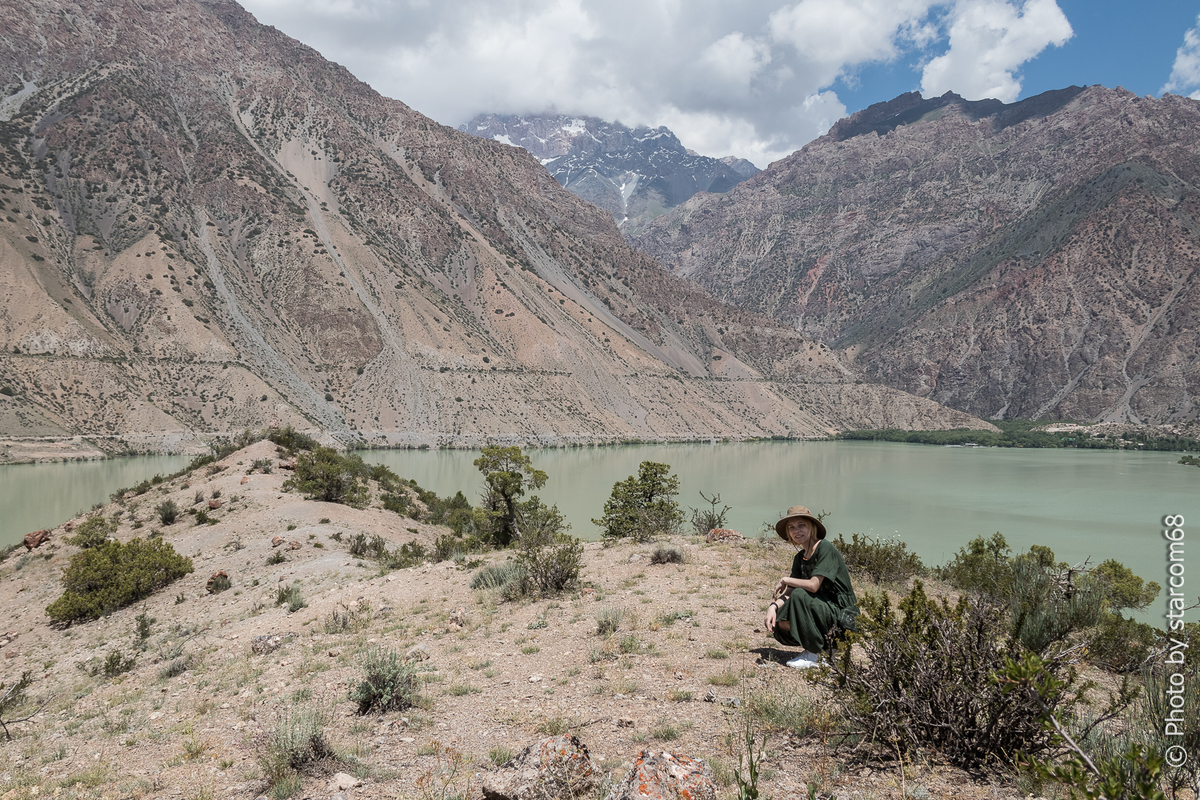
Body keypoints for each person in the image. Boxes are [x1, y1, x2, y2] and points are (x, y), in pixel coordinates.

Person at [764, 505, 858, 669]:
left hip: (843, 616)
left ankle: (817, 654)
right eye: (791, 527)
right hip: (822, 610)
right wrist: (772, 607)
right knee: (781, 619)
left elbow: (813, 586)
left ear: (812, 527)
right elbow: (789, 592)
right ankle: (821, 649)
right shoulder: (800, 558)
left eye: (801, 525)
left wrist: (785, 579)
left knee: (800, 595)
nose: (796, 530)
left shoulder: (825, 548)